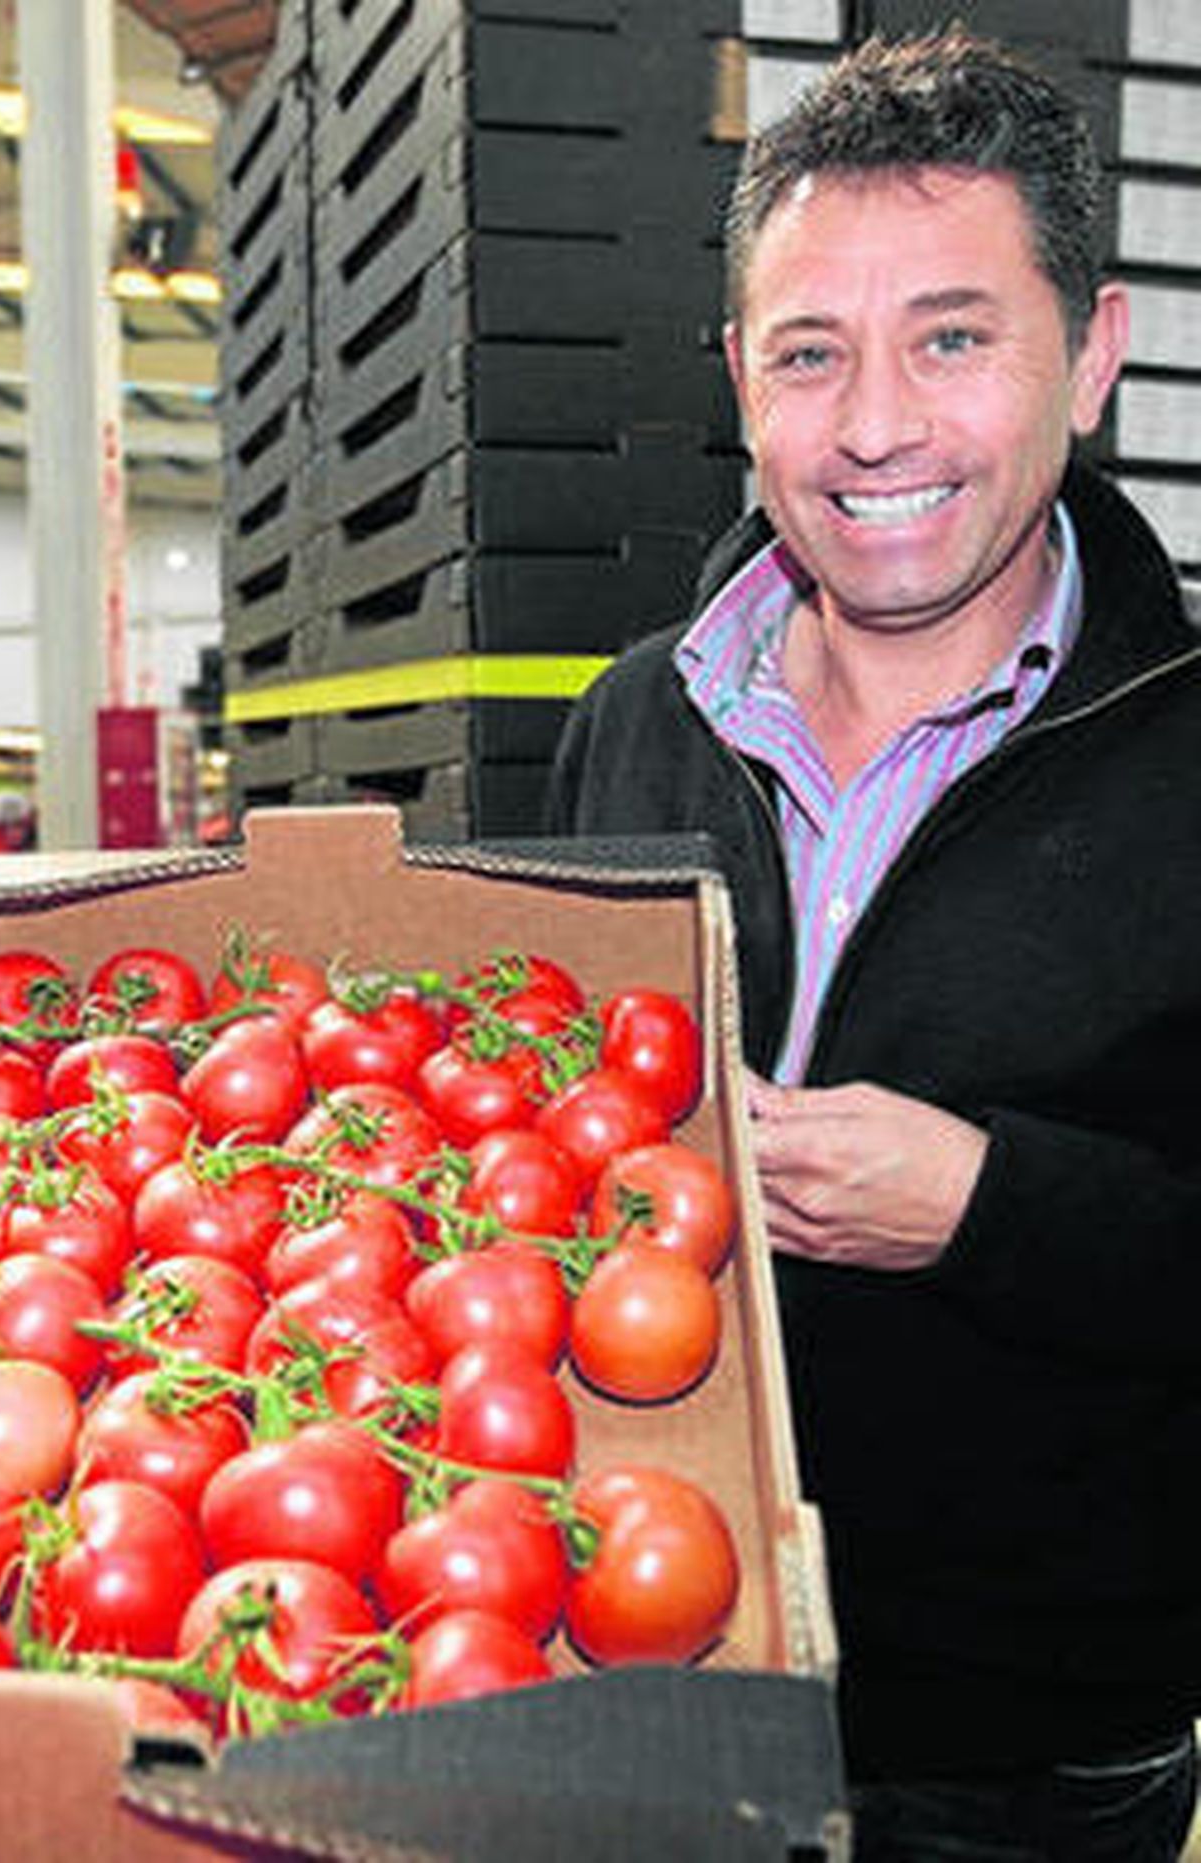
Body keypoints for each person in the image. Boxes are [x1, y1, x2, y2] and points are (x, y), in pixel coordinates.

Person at [546, 27, 1201, 1861]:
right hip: (639, 1679)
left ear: (1094, 360)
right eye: (811, 351)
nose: (877, 424)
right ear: (740, 379)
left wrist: (991, 1203)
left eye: (954, 337)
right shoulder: (628, 726)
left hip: (1030, 1754)